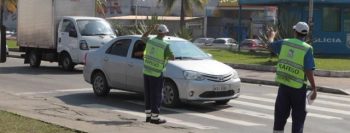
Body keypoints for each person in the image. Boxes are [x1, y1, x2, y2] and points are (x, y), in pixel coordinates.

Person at [267, 22, 317, 133]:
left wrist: (271, 36)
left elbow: (270, 45)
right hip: (299, 89)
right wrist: (314, 88)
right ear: (306, 34)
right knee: (298, 119)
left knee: (280, 117)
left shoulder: (284, 43)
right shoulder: (307, 48)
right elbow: (309, 70)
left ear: (295, 32)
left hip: (284, 87)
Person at [141, 24, 174, 124]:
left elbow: (143, 37)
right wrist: (166, 57)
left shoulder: (150, 41)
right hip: (156, 73)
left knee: (148, 94)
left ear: (157, 32)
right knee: (156, 95)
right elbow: (172, 57)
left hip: (146, 71)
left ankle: (148, 116)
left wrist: (151, 28)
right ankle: (155, 118)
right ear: (164, 33)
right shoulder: (165, 45)